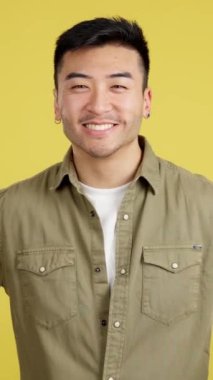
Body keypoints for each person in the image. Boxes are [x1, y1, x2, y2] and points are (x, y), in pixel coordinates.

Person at [0, 17, 212, 380]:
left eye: (118, 86)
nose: (99, 105)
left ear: (146, 101)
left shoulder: (205, 206)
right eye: (79, 86)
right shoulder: (10, 212)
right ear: (56, 104)